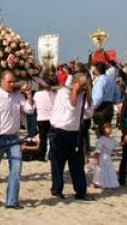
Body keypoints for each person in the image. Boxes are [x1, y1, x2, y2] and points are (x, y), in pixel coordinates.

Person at [0, 70, 34, 209]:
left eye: (13, 81)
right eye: (9, 81)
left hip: (14, 137)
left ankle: (11, 201)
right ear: (2, 81)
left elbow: (29, 110)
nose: (12, 84)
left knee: (16, 169)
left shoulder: (17, 96)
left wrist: (29, 95)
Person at [49, 72, 94, 200]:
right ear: (74, 82)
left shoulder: (84, 95)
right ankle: (57, 190)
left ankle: (81, 192)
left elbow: (89, 113)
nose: (83, 87)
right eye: (82, 84)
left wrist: (88, 93)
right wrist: (75, 90)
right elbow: (71, 107)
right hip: (59, 131)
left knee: (77, 164)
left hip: (75, 133)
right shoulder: (64, 93)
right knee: (58, 164)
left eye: (86, 84)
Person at [91, 62, 121, 136]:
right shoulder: (111, 80)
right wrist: (115, 102)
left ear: (97, 70)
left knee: (100, 130)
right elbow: (117, 93)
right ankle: (107, 146)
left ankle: (103, 146)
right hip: (109, 106)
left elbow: (98, 96)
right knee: (107, 131)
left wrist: (93, 107)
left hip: (101, 107)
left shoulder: (100, 81)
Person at [33, 74, 57, 161]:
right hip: (52, 117)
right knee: (52, 138)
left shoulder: (37, 94)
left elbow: (34, 106)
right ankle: (51, 154)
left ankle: (41, 155)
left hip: (41, 118)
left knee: (42, 138)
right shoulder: (54, 94)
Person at [92, 122, 119, 189]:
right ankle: (98, 183)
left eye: (111, 127)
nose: (110, 129)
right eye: (108, 128)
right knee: (100, 172)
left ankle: (109, 183)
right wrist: (96, 159)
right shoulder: (101, 140)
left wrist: (125, 141)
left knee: (109, 171)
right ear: (103, 130)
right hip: (102, 158)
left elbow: (117, 144)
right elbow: (97, 151)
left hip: (108, 158)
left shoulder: (112, 139)